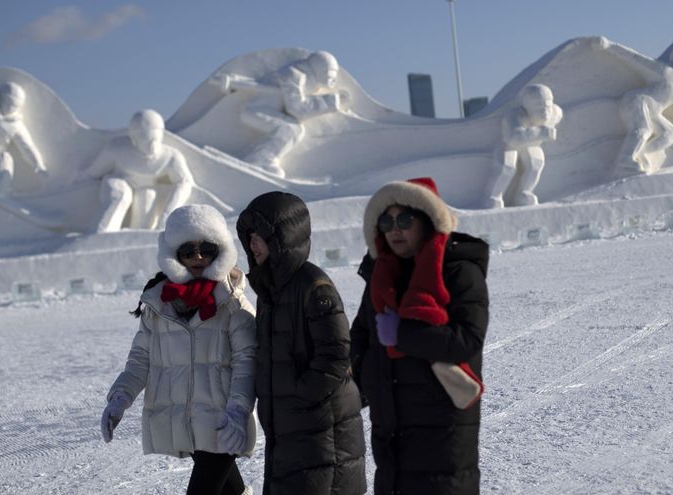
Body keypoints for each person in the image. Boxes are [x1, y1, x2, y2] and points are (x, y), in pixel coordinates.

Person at [101, 204, 257, 495]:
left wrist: (237, 412)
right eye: (188, 250)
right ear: (175, 254)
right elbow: (140, 359)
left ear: (220, 251)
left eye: (206, 249)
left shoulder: (233, 303)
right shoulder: (159, 305)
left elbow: (247, 362)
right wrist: (120, 397)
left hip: (223, 422)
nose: (197, 257)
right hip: (188, 421)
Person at [350, 177, 489, 495]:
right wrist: (365, 383)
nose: (394, 229)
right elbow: (361, 336)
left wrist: (403, 334)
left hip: (442, 435)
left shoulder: (458, 271)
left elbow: (466, 340)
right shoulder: (382, 274)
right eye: (386, 221)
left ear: (427, 220)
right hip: (391, 433)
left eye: (405, 220)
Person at [235, 191, 366, 494]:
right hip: (292, 432)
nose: (253, 245)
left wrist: (301, 397)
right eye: (250, 237)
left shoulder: (312, 285)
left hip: (322, 433)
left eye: (261, 237)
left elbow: (337, 354)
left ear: (283, 238)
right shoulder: (271, 290)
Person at [212, 51, 349, 177]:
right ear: (320, 69)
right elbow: (297, 108)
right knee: (290, 129)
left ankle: (254, 155)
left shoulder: (304, 77)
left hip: (265, 110)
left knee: (291, 128)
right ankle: (260, 160)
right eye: (330, 72)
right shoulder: (294, 75)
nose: (332, 78)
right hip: (256, 110)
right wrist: (331, 101)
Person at [592, 36, 673, 175]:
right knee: (644, 129)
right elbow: (635, 58)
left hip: (652, 113)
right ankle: (625, 160)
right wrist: (609, 45)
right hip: (637, 102)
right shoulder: (666, 72)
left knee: (671, 133)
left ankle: (641, 153)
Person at [80, 109, 194, 232]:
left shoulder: (170, 156)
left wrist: (167, 215)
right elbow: (94, 172)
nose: (151, 146)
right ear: (133, 138)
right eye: (145, 139)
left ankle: (137, 239)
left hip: (146, 187)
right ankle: (101, 233)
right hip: (119, 181)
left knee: (147, 203)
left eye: (154, 139)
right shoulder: (117, 149)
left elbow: (184, 182)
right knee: (121, 196)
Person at [487, 83, 563, 208]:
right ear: (528, 107)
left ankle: (523, 193)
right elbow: (514, 137)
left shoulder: (555, 113)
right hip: (509, 146)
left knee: (536, 163)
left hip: (531, 144)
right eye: (538, 106)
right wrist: (541, 132)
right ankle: (494, 195)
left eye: (547, 105)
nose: (545, 110)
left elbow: (558, 116)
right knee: (507, 167)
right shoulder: (515, 115)